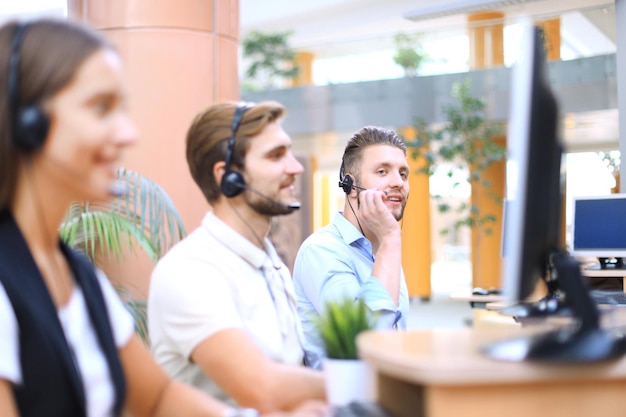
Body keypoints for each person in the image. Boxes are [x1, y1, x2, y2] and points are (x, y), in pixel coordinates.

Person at [0, 18, 325, 417]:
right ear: (28, 124)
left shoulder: (78, 276)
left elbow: (156, 399)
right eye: (100, 108)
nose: (127, 133)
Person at [148, 101, 326, 414]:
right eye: (275, 155)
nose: (295, 167)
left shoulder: (271, 264)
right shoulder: (190, 271)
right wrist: (364, 382)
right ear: (228, 176)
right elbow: (264, 389)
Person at [292, 126, 411, 369]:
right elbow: (365, 342)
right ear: (350, 183)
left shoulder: (383, 252)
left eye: (403, 174)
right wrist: (390, 239)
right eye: (382, 171)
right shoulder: (322, 251)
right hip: (344, 400)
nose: (398, 182)